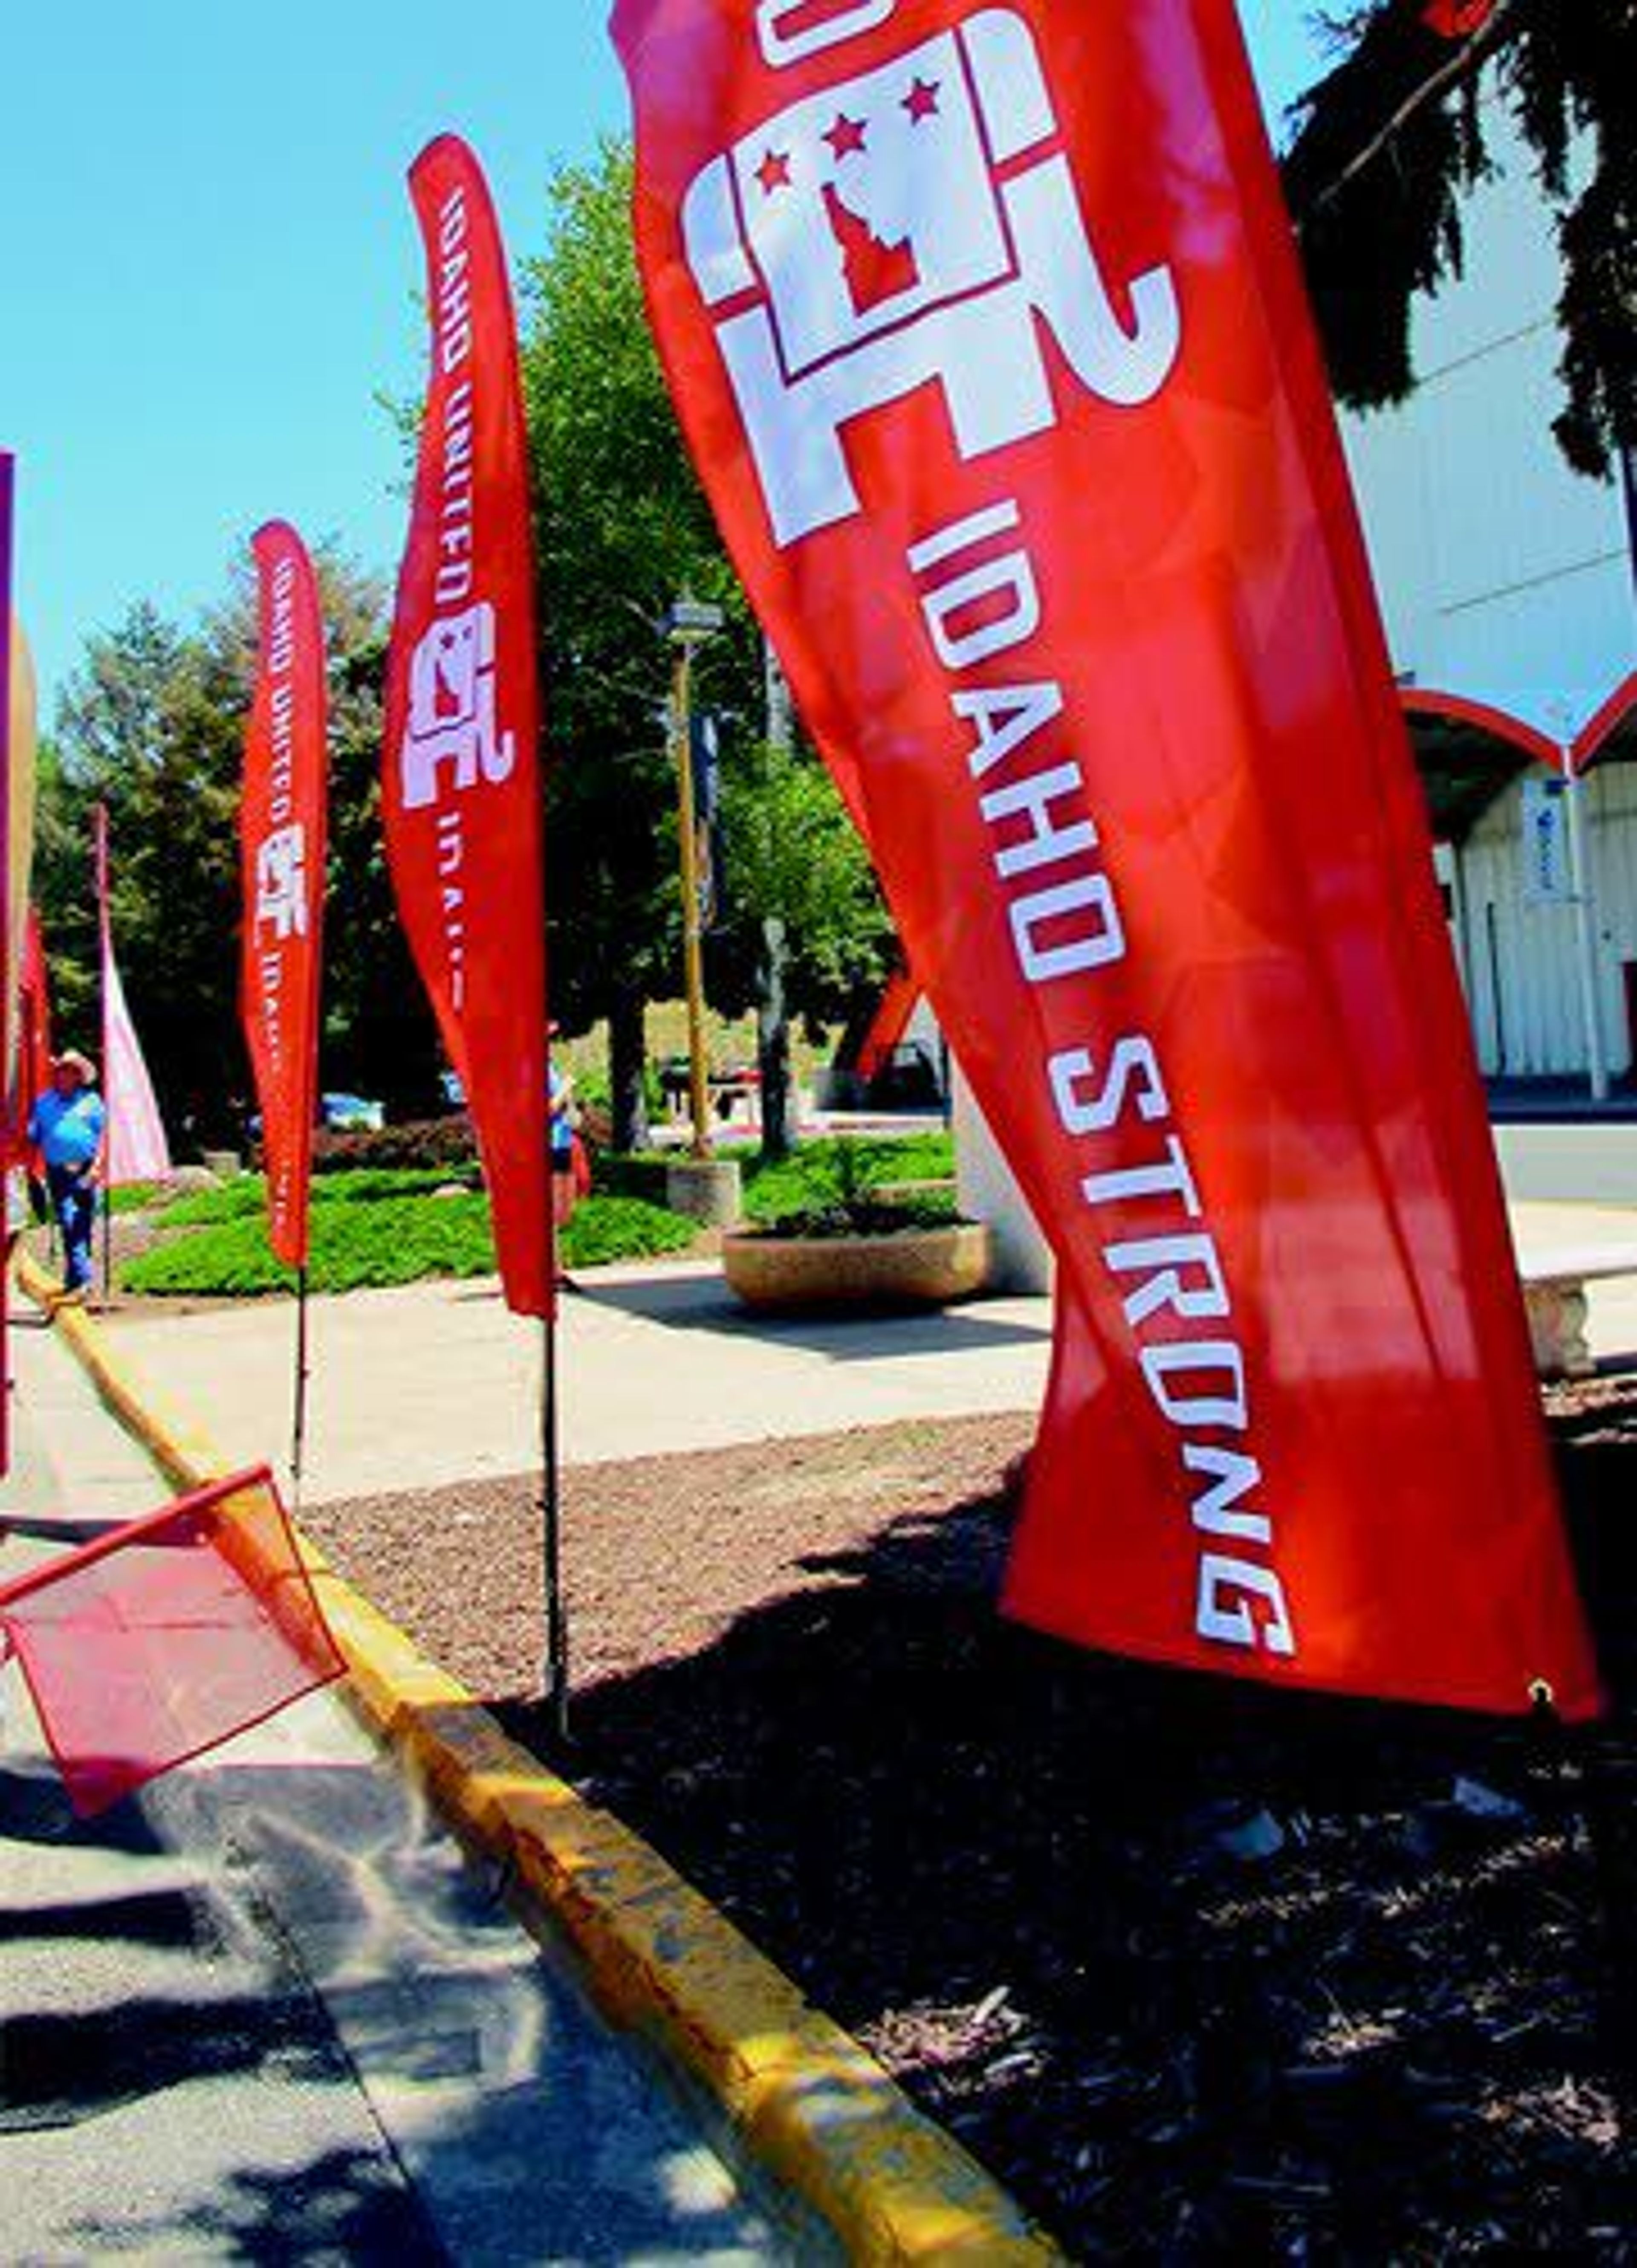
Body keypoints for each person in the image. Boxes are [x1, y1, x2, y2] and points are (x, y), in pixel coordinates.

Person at [27, 1050, 106, 1303]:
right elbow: (33, 1135)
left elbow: (105, 1135)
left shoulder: (92, 1102)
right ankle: (84, 1280)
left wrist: (97, 1167)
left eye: (70, 1071)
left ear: (79, 1077)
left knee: (82, 1223)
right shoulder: (43, 1103)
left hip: (86, 1170)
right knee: (70, 1220)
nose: (64, 1075)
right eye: (61, 1070)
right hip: (58, 1172)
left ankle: (74, 1280)